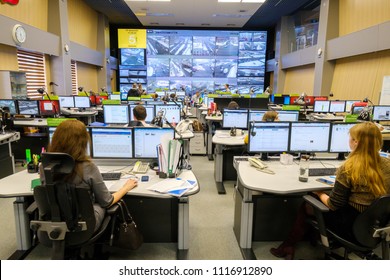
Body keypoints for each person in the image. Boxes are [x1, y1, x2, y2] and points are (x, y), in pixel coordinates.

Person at [270, 122, 390, 259]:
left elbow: (333, 204)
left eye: (350, 138)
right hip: (376, 225)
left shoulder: (349, 168)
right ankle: (315, 238)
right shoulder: (388, 164)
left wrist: (319, 193)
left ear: (356, 142)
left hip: (353, 227)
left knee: (308, 204)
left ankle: (288, 246)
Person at [43, 119, 138, 232]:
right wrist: (126, 187)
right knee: (99, 203)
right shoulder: (88, 167)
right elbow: (107, 201)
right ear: (83, 142)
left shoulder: (45, 166)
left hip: (52, 225)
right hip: (83, 226)